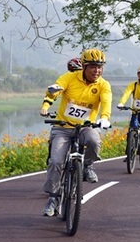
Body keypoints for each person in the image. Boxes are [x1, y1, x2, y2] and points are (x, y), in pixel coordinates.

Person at [40, 48, 112, 216]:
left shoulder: (103, 84)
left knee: (94, 142)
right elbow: (54, 90)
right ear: (84, 66)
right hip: (63, 128)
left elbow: (106, 100)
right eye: (93, 66)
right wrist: (45, 106)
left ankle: (87, 166)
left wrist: (105, 117)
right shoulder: (69, 78)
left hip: (86, 127)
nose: (97, 70)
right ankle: (53, 198)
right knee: (56, 161)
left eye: (100, 67)